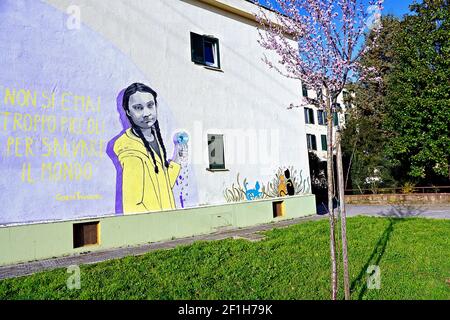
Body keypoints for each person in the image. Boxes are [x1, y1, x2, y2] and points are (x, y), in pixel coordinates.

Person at [113, 83, 183, 214]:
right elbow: (132, 205)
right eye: (138, 108)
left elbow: (164, 184)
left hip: (167, 220)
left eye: (150, 105)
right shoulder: (131, 152)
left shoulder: (154, 138)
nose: (146, 113)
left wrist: (178, 153)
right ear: (128, 112)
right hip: (155, 226)